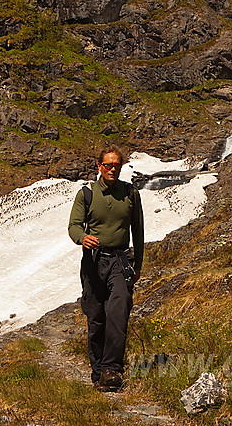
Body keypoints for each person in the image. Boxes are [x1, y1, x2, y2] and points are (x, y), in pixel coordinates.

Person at [68, 145, 144, 391]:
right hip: (94, 262)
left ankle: (112, 369)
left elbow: (138, 232)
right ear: (99, 167)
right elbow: (74, 226)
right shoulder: (87, 194)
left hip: (121, 261)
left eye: (116, 165)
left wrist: (138, 265)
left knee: (119, 310)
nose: (112, 168)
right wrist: (83, 238)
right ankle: (98, 368)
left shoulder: (131, 194)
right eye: (108, 165)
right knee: (97, 316)